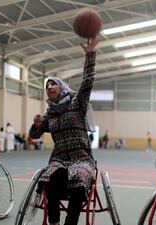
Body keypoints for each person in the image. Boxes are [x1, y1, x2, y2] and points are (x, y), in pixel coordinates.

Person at [29, 38, 98, 225]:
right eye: (47, 86)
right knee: (50, 177)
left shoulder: (77, 102)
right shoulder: (49, 113)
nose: (50, 87)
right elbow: (34, 136)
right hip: (59, 158)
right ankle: (54, 222)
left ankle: (70, 222)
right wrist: (36, 126)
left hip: (81, 156)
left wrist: (90, 55)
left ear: (62, 88)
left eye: (53, 84)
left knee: (79, 177)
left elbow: (88, 81)